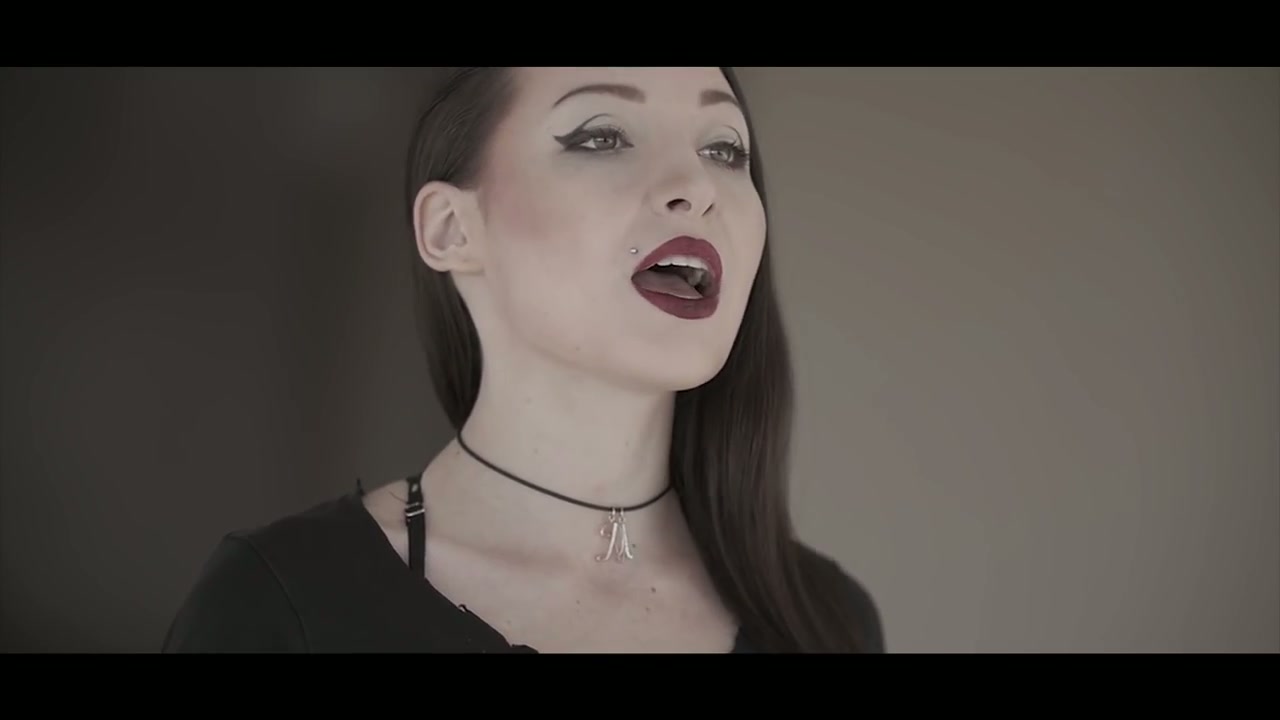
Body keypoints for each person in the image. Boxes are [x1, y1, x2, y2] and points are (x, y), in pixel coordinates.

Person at [162, 67, 886, 653]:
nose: (696, 188)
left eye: (724, 149)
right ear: (451, 230)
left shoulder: (826, 622)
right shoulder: (281, 603)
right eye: (604, 136)